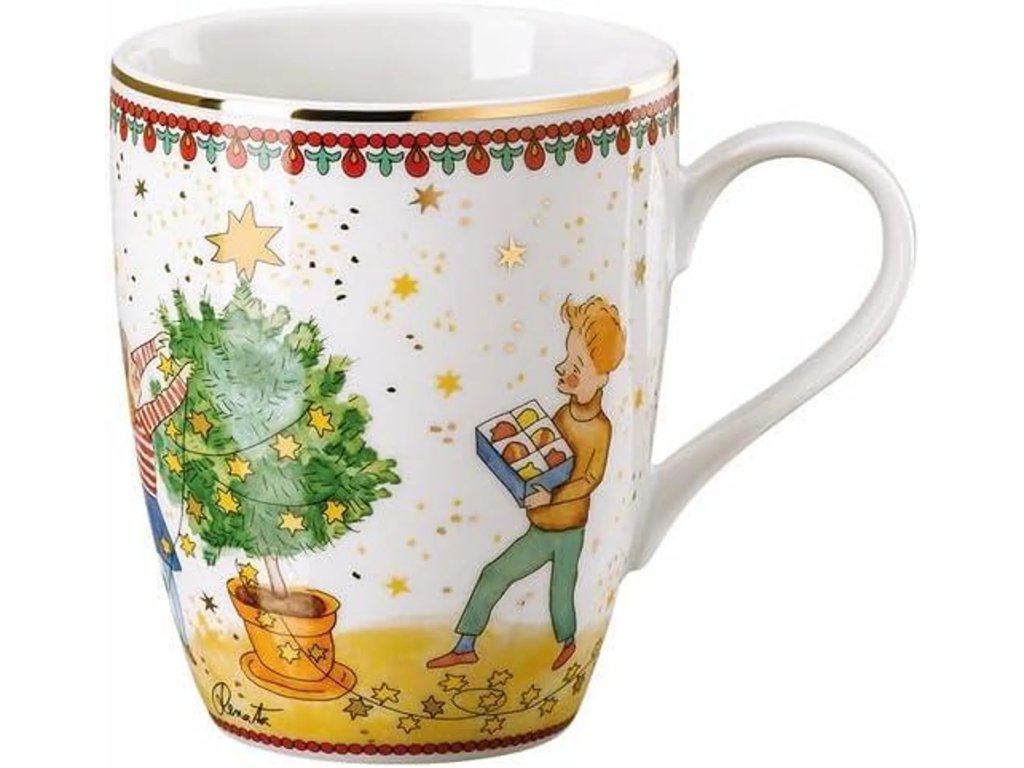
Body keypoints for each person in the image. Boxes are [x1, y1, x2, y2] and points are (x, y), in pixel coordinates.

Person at [428, 296, 626, 671]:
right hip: (541, 527)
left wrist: (550, 497)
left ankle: (569, 644)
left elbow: (589, 480)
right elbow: (547, 456)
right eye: (567, 359)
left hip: (569, 530)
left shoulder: (600, 428)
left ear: (601, 378)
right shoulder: (563, 414)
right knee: (495, 573)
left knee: (561, 592)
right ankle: (466, 644)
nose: (563, 368)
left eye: (576, 365)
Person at [120, 328, 194, 664]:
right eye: (134, 381)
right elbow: (163, 404)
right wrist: (182, 379)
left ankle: (188, 638)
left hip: (153, 500)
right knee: (168, 564)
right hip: (153, 503)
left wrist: (153, 346)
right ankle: (188, 638)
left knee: (169, 565)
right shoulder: (141, 418)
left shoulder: (137, 394)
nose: (136, 385)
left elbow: (136, 362)